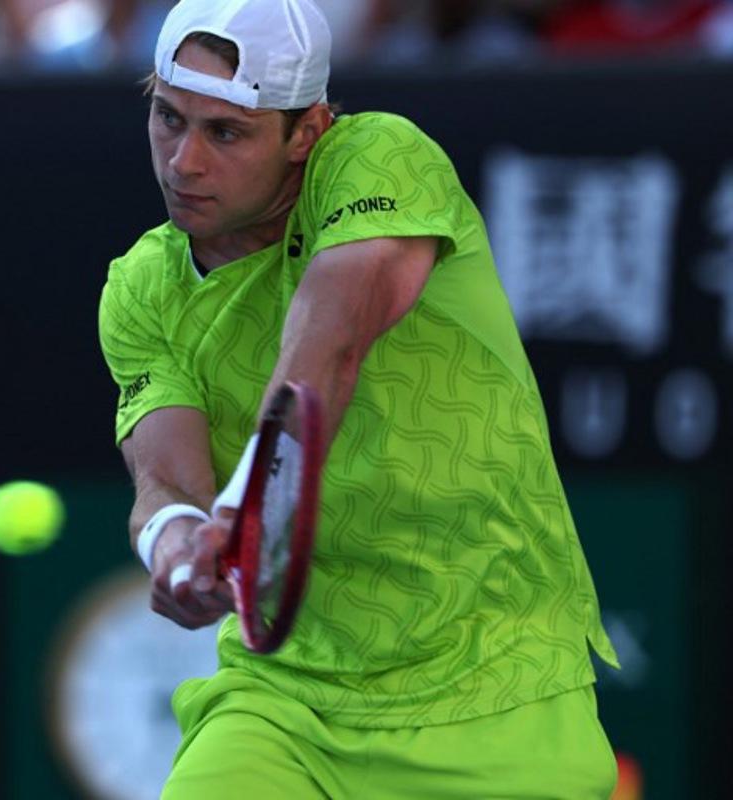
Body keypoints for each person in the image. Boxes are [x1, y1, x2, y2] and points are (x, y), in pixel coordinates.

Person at [97, 0, 622, 796]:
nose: (183, 162)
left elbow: (333, 337)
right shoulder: (140, 288)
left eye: (226, 133)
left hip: (499, 683)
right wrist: (177, 546)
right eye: (169, 118)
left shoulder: (379, 156)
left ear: (306, 132)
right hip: (286, 705)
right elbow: (164, 482)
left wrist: (250, 499)